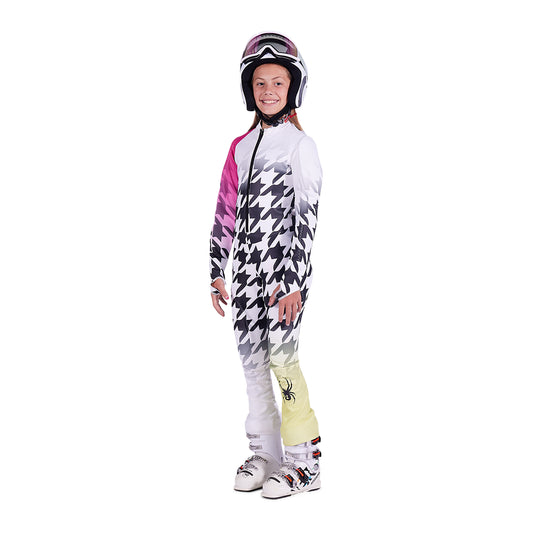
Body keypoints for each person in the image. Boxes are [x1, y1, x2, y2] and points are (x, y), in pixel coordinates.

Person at [208, 32, 323, 499]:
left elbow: (306, 221)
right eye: (260, 83)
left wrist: (293, 281)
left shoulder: (301, 146)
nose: (269, 90)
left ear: (293, 88)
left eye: (278, 82)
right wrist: (217, 269)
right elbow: (225, 210)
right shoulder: (239, 147)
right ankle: (266, 452)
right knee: (252, 363)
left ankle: (305, 461)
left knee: (283, 361)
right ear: (248, 89)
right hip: (245, 277)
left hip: (283, 279)